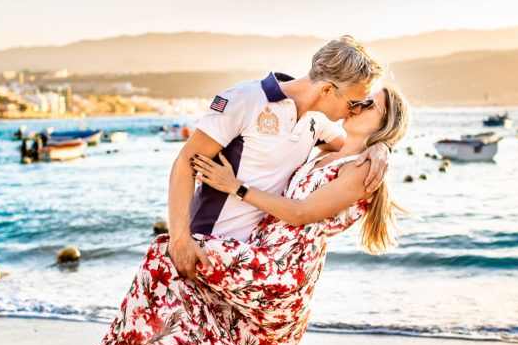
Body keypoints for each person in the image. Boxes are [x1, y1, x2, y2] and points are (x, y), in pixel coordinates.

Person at [97, 87, 410, 345]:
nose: (358, 105)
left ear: (386, 122)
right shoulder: (332, 152)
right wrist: (382, 147)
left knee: (168, 252)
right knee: (189, 317)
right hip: (260, 254)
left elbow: (300, 213)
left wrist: (236, 188)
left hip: (283, 272)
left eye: (370, 104)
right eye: (361, 98)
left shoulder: (362, 170)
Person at [163, 35, 390, 284]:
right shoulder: (247, 99)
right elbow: (184, 162)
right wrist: (179, 239)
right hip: (205, 247)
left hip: (254, 266)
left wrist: (383, 148)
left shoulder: (318, 121)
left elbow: (355, 148)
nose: (356, 109)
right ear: (327, 90)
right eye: (355, 102)